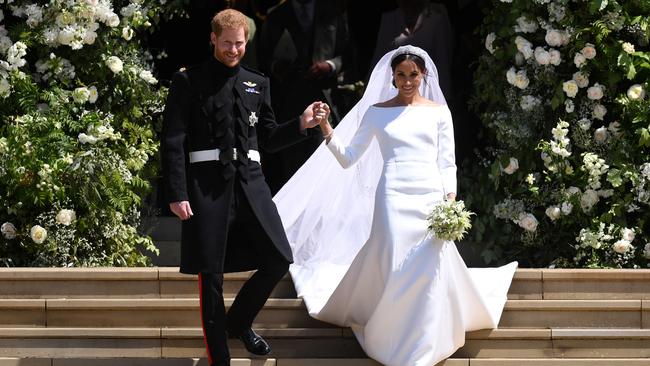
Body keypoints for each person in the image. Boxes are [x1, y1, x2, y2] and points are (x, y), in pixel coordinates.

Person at [273, 45, 518, 366]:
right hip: (391, 196)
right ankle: (392, 335)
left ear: (423, 75)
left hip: (430, 196)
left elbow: (447, 162)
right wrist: (326, 128)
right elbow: (348, 158)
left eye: (412, 74)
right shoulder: (376, 112)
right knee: (392, 256)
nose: (406, 80)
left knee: (428, 265)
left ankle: (425, 339)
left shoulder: (438, 112)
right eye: (400, 75)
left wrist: (450, 202)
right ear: (392, 77)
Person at [160, 9, 322, 366]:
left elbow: (266, 137)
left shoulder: (257, 81)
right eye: (228, 43)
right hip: (206, 186)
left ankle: (239, 323)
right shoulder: (189, 81)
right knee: (211, 274)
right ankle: (220, 358)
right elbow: (173, 139)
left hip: (251, 183)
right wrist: (177, 192)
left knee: (279, 257)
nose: (234, 50)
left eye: (240, 43)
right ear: (213, 39)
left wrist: (300, 124)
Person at [257, 0, 351, 193]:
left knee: (328, 161)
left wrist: (330, 66)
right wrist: (277, 67)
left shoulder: (332, 11)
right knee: (294, 168)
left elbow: (349, 54)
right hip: (288, 102)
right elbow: (262, 58)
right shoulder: (276, 15)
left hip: (326, 99)